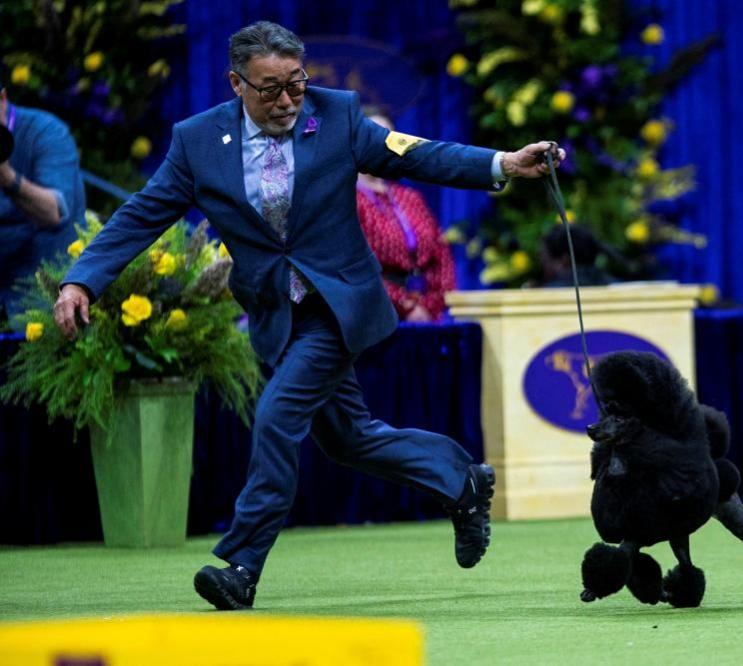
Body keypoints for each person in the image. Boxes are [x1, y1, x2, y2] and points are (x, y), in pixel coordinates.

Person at [52, 21, 565, 610]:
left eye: (295, 84)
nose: (287, 100)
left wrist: (502, 162)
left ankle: (242, 565)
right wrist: (79, 279)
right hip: (278, 314)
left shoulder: (339, 114)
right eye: (270, 89)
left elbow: (418, 155)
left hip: (339, 307)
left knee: (275, 417)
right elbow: (141, 215)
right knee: (349, 439)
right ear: (235, 84)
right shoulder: (197, 142)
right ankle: (461, 480)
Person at [0, 64, 85, 321]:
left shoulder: (46, 132)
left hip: (51, 297)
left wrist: (6, 177)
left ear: (2, 99)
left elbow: (54, 213)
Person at [356, 110, 455, 322]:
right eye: (372, 137)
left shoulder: (409, 197)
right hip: (374, 315)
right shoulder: (347, 198)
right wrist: (406, 306)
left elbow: (441, 254)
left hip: (425, 314)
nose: (381, 145)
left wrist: (431, 306)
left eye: (388, 138)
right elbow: (355, 266)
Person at [538, 223, 612, 288]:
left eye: (545, 261)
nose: (542, 267)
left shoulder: (547, 293)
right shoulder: (618, 286)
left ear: (564, 261)